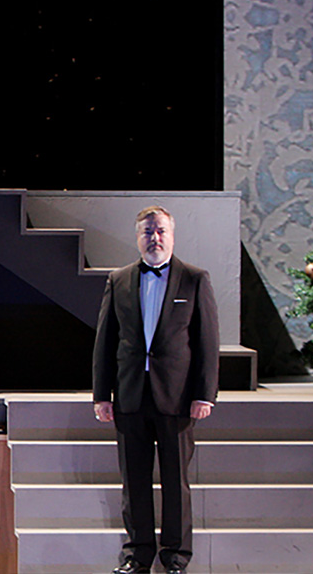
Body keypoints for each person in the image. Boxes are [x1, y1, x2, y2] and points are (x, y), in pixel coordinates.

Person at [93, 206, 219, 574]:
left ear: (172, 235)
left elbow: (207, 342)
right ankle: (138, 554)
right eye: (148, 231)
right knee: (134, 481)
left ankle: (176, 556)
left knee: (175, 481)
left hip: (177, 398)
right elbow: (105, 341)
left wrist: (205, 394)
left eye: (161, 230)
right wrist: (101, 394)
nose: (155, 238)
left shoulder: (194, 279)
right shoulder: (119, 280)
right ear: (138, 237)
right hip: (130, 395)